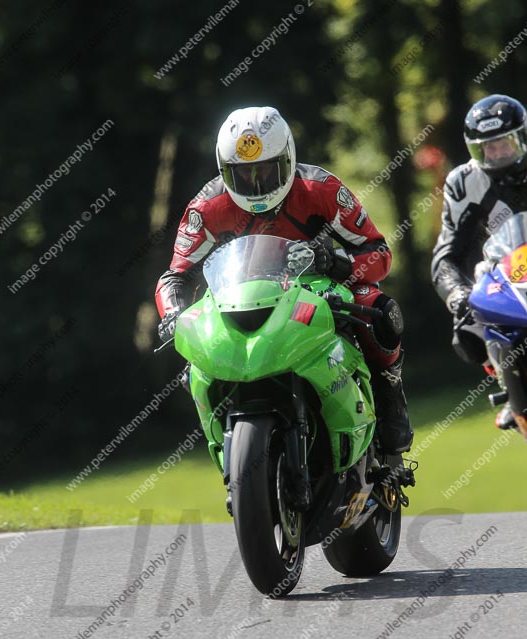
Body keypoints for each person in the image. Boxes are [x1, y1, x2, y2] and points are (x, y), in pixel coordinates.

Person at [156, 106, 413, 454]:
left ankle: (390, 393)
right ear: (224, 170)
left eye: (266, 170)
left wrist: (337, 263)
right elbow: (176, 276)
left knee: (379, 309)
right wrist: (173, 313)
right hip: (238, 302)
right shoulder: (206, 208)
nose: (256, 184)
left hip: (316, 291)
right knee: (192, 356)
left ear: (288, 159)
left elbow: (378, 252)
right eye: (243, 175)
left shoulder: (321, 189)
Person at [431, 94, 527, 428]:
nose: (496, 154)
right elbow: (445, 256)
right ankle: (509, 384)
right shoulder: (463, 182)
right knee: (467, 327)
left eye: (503, 144)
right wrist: (458, 295)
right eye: (488, 147)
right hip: (510, 275)